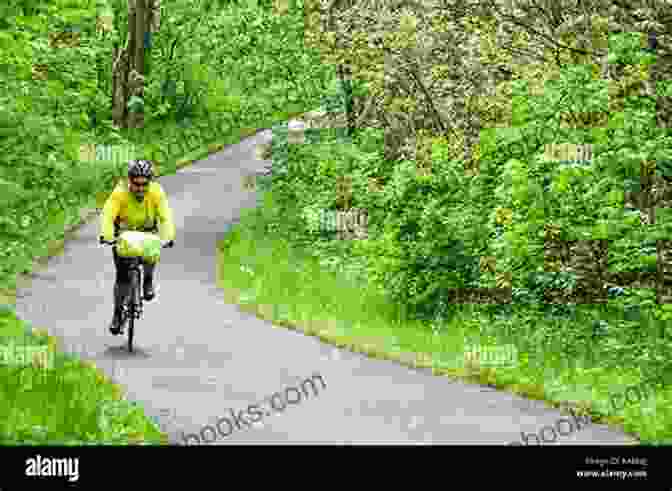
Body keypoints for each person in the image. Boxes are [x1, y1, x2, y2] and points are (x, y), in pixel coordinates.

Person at [99, 159, 176, 335]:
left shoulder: (156, 192)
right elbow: (108, 216)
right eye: (136, 184)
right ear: (129, 181)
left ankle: (148, 278)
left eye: (144, 184)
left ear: (150, 182)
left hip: (147, 233)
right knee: (122, 278)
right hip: (124, 237)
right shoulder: (119, 193)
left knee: (152, 249)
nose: (140, 189)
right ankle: (118, 313)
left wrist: (168, 236)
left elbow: (166, 217)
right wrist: (107, 235)